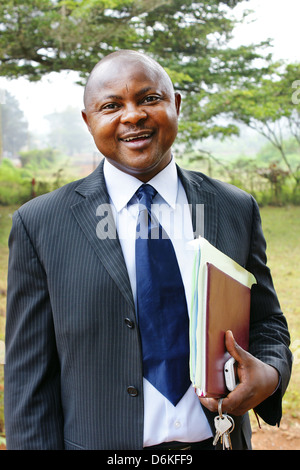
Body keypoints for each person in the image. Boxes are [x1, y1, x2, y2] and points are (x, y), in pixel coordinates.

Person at [4, 49, 292, 450]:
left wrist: (272, 373)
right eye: (111, 105)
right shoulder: (41, 224)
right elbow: (28, 380)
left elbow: (267, 324)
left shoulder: (233, 208)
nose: (133, 115)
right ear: (89, 122)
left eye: (149, 99)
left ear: (176, 105)